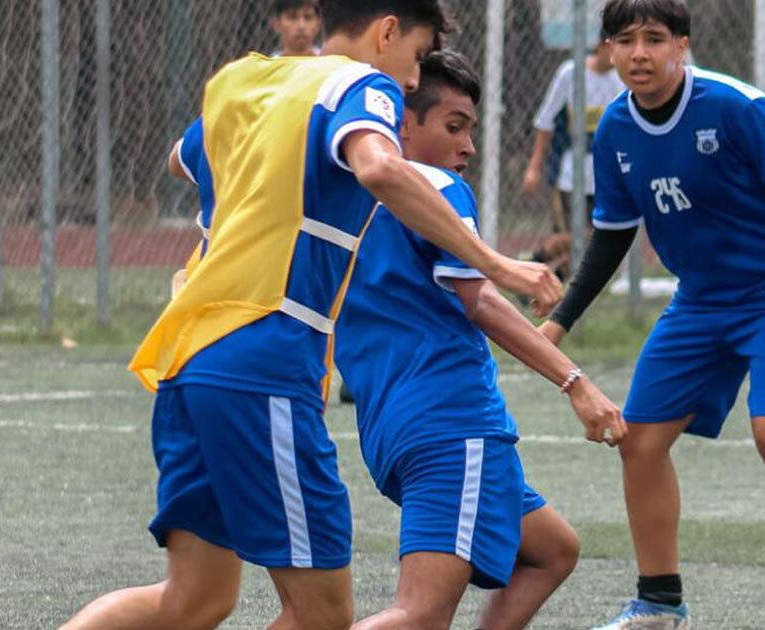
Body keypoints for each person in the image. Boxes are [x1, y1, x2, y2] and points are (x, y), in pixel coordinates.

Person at [60, 2, 561, 629]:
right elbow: (379, 167)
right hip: (264, 357)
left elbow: (179, 159)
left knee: (194, 598)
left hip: (188, 353)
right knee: (322, 616)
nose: (411, 79)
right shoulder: (361, 84)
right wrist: (501, 265)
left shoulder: (244, 79)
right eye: (414, 55)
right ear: (385, 32)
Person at [538, 1, 765, 629]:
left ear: (681, 45)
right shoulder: (615, 132)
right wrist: (557, 323)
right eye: (624, 42)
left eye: (654, 39)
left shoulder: (735, 105)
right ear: (605, 52)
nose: (639, 54)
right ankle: (659, 603)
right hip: (701, 302)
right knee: (640, 443)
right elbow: (610, 237)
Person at [333, 50, 626, 630]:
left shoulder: (341, 200)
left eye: (470, 129)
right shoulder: (436, 184)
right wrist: (577, 382)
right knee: (418, 615)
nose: (468, 146)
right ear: (401, 125)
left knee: (551, 550)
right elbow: (482, 301)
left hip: (388, 427)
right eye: (453, 126)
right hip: (453, 422)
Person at [522, 39, 625, 233]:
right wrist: (534, 168)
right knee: (568, 237)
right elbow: (545, 121)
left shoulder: (622, 80)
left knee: (601, 236)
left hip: (607, 177)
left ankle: (542, 257)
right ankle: (539, 259)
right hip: (569, 174)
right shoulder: (570, 74)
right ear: (602, 46)